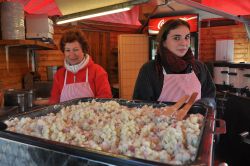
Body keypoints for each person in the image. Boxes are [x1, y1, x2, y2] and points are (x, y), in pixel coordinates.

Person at [133, 19, 216, 105]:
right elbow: (140, 106)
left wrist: (201, 105)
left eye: (187, 37)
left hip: (195, 118)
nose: (184, 43)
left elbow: (210, 97)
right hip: (161, 118)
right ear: (164, 42)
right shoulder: (150, 69)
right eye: (176, 38)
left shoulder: (199, 67)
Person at [36, 29, 112, 105]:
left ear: (84, 50)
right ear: (64, 52)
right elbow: (55, 101)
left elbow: (105, 100)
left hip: (92, 116)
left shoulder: (98, 71)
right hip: (64, 117)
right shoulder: (59, 75)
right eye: (68, 50)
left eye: (75, 50)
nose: (71, 54)